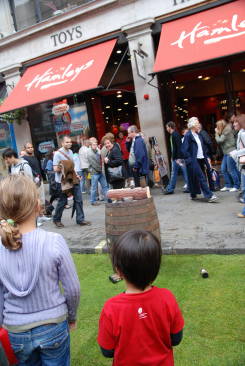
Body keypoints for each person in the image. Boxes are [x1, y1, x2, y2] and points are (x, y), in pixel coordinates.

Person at [0, 175, 80, 365]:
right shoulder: (54, 241)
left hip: (15, 329)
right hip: (53, 324)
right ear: (38, 206)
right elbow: (73, 289)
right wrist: (72, 316)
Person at [98, 230, 184, 366]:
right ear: (157, 267)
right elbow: (176, 339)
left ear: (118, 271)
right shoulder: (167, 298)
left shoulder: (111, 308)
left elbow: (107, 351)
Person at [53, 135, 91, 227]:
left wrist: (77, 175)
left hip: (73, 178)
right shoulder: (58, 154)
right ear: (62, 143)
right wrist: (63, 167)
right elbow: (54, 169)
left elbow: (72, 167)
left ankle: (80, 219)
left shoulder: (70, 152)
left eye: (70, 142)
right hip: (62, 181)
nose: (69, 143)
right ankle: (56, 219)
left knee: (78, 199)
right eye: (67, 142)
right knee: (62, 201)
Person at [182, 117, 219, 202]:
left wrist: (207, 158)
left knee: (194, 177)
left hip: (201, 159)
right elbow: (184, 150)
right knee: (201, 177)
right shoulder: (188, 135)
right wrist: (190, 159)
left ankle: (193, 194)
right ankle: (209, 196)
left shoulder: (198, 135)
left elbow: (202, 148)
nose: (199, 125)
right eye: (197, 123)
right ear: (193, 125)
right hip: (193, 160)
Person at [215, 119, 240, 192]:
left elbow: (219, 140)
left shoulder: (226, 131)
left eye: (217, 126)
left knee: (231, 169)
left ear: (220, 126)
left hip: (230, 152)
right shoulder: (225, 130)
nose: (216, 128)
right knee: (223, 169)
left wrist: (216, 133)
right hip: (226, 153)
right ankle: (228, 185)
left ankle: (237, 185)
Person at [164, 121, 189, 194]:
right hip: (177, 158)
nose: (166, 128)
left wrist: (176, 158)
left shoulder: (175, 135)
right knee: (177, 173)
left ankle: (171, 189)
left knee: (182, 172)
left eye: (167, 127)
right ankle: (170, 189)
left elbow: (178, 147)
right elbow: (175, 148)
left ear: (170, 127)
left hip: (178, 158)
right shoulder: (173, 135)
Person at [229, 114, 245, 217]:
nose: (234, 124)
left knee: (244, 188)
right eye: (233, 122)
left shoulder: (243, 133)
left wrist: (236, 153)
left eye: (236, 122)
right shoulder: (241, 132)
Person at [87, 139, 108, 206]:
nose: (95, 145)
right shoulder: (90, 153)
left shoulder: (97, 150)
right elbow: (94, 164)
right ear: (90, 145)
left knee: (104, 186)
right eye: (93, 144)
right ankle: (92, 201)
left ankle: (108, 198)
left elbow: (100, 158)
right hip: (94, 172)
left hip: (99, 171)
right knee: (94, 187)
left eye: (96, 144)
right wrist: (101, 170)